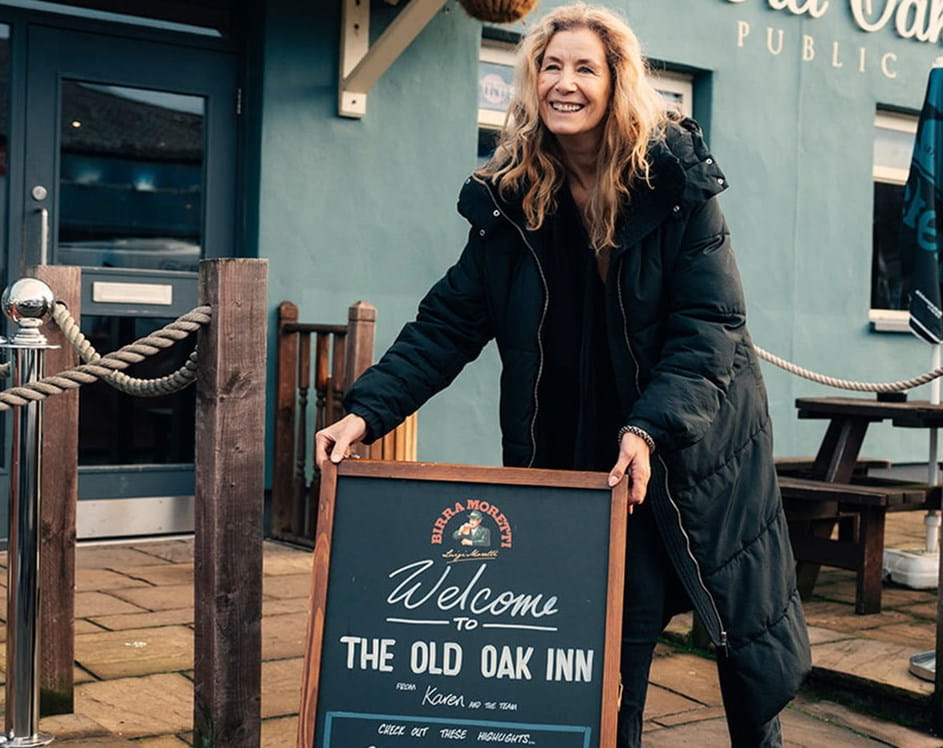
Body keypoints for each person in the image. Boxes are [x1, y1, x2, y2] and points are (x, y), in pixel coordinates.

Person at [315, 3, 810, 745]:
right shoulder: (514, 202)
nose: (565, 83)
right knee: (603, 646)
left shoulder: (674, 187)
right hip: (575, 464)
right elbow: (447, 324)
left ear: (617, 83)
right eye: (550, 67)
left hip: (687, 453)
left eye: (585, 67)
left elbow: (710, 330)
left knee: (743, 641)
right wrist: (365, 414)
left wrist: (648, 429)